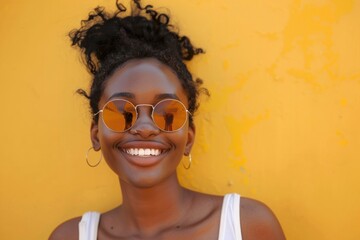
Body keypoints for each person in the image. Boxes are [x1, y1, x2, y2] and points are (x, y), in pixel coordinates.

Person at [49, 0, 286, 239]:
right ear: (96, 134)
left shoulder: (247, 226)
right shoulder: (70, 236)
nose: (144, 128)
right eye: (122, 113)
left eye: (168, 114)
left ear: (189, 137)